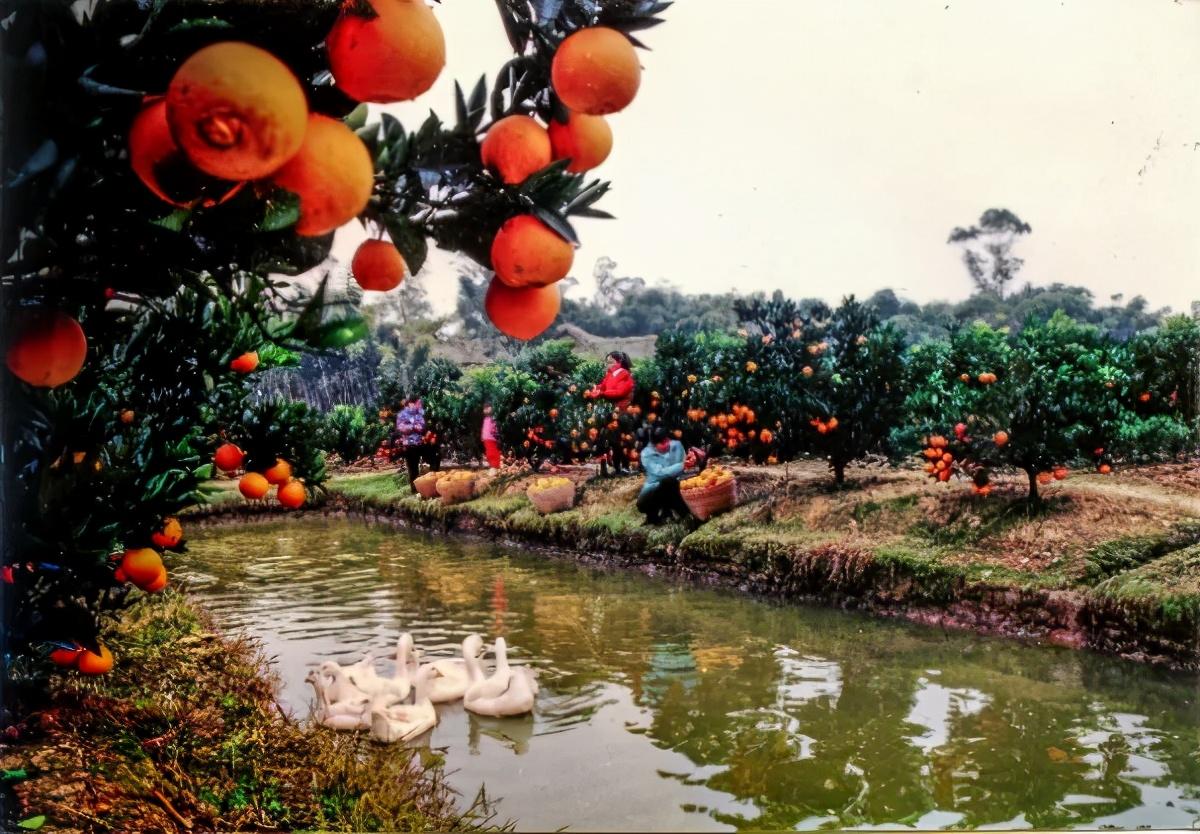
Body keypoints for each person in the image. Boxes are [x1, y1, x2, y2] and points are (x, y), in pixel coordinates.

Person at [585, 351, 635, 476]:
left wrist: (602, 393)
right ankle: (616, 467)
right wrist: (595, 389)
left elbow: (620, 392)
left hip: (622, 411)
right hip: (611, 411)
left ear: (619, 362)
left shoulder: (625, 375)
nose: (608, 365)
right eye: (607, 362)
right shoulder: (610, 374)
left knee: (620, 441)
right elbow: (603, 386)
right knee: (612, 440)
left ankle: (625, 466)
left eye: (610, 362)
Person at [637, 427, 696, 525]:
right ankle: (653, 516)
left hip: (676, 485)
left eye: (666, 441)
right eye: (662, 443)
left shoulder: (676, 446)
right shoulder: (646, 454)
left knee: (672, 484)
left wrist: (690, 461)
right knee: (665, 483)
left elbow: (684, 465)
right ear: (654, 445)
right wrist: (682, 465)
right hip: (655, 487)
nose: (666, 444)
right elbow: (659, 474)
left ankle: (684, 515)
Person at [394, 396, 429, 491]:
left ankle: (426, 488)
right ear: (411, 403)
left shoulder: (419, 414)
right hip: (409, 445)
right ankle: (415, 489)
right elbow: (401, 428)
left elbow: (422, 426)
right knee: (413, 468)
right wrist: (413, 426)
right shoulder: (402, 414)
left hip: (420, 443)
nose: (420, 405)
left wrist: (414, 427)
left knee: (427, 464)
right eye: (418, 403)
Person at [481, 403, 502, 470]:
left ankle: (494, 466)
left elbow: (495, 428)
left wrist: (496, 434)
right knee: (489, 453)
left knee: (492, 452)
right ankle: (493, 466)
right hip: (486, 438)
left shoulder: (493, 418)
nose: (486, 409)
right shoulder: (485, 419)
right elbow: (485, 428)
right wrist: (482, 436)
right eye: (485, 408)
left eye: (488, 407)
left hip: (491, 438)